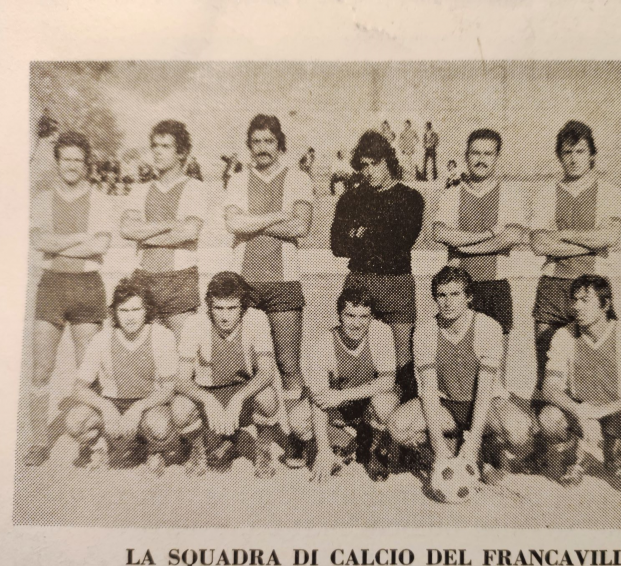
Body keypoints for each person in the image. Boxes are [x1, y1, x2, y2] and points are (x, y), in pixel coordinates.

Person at [387, 267, 534, 486]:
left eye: (455, 294)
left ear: (469, 297)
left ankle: (486, 446)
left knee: (518, 431)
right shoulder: (425, 331)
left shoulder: (487, 327)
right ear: (435, 298)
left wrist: (474, 441)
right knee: (397, 427)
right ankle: (449, 447)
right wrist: (438, 448)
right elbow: (429, 392)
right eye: (441, 295)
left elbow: (484, 391)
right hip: (446, 406)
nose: (448, 302)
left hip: (485, 404)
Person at [223, 114, 314, 465]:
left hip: (283, 281)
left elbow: (301, 227)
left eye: (269, 141)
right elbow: (233, 223)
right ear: (249, 145)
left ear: (280, 144)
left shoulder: (298, 177)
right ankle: (232, 432)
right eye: (256, 142)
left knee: (288, 365)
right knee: (238, 363)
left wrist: (253, 223)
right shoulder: (237, 179)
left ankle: (299, 437)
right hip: (243, 282)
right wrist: (278, 215)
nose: (262, 148)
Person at [24, 131, 113, 467]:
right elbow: (38, 241)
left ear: (86, 164)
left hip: (87, 286)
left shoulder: (99, 199)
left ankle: (91, 440)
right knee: (41, 368)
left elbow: (100, 245)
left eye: (78, 159)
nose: (72, 165)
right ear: (57, 162)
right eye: (66, 159)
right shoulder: (42, 199)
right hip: (51, 286)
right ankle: (38, 442)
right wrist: (79, 238)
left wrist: (57, 244)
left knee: (87, 369)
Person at [530, 120, 621, 406]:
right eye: (567, 152)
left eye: (580, 151)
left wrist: (564, 234)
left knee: (594, 362)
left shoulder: (610, 192)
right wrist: (590, 240)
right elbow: (539, 244)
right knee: (546, 368)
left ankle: (594, 424)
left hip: (593, 288)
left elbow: (609, 237)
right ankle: (547, 429)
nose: (573, 159)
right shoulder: (546, 193)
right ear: (559, 155)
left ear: (592, 154)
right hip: (552, 287)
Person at [331, 130, 424, 402]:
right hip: (359, 280)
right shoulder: (351, 198)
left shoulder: (410, 197)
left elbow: (401, 242)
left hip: (397, 282)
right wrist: (377, 234)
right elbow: (337, 245)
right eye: (363, 165)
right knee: (357, 354)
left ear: (389, 161)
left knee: (403, 361)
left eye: (375, 163)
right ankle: (356, 418)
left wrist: (360, 233)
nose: (369, 171)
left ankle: (407, 421)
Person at [433, 128, 528, 383]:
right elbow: (440, 233)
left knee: (497, 363)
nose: (481, 159)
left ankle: (495, 404)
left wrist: (466, 247)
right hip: (458, 289)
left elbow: (513, 236)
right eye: (476, 153)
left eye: (488, 154)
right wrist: (490, 234)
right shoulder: (452, 193)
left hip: (496, 285)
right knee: (459, 358)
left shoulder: (509, 193)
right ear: (466, 155)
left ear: (497, 157)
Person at [540, 275, 621, 490]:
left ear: (605, 304)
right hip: (579, 411)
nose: (577, 307)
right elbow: (549, 388)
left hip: (613, 411)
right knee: (549, 418)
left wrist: (601, 411)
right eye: (575, 300)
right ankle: (574, 459)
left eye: (585, 300)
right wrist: (580, 411)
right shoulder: (564, 334)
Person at [172, 272, 282, 478]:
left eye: (232, 308)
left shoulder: (257, 318)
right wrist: (207, 400)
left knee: (267, 397)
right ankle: (198, 451)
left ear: (243, 307)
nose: (224, 316)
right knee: (180, 408)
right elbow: (181, 380)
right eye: (218, 308)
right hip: (209, 394)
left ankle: (263, 451)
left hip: (243, 394)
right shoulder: (195, 323)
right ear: (209, 306)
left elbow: (267, 372)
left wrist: (238, 399)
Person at [64, 279, 179, 475]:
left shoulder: (161, 335)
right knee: (75, 422)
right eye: (123, 311)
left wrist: (138, 407)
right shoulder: (102, 339)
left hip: (149, 405)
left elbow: (169, 389)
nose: (130, 317)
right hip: (114, 404)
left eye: (136, 310)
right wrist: (106, 407)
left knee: (159, 426)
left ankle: (153, 449)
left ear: (147, 310)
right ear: (115, 312)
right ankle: (100, 446)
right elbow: (78, 388)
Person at [303, 285, 400, 483]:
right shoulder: (324, 343)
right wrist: (323, 449)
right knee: (298, 420)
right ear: (339, 315)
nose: (356, 323)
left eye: (363, 316)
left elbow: (388, 382)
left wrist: (341, 395)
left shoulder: (381, 332)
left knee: (384, 404)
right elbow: (319, 399)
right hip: (342, 409)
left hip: (367, 403)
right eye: (350, 315)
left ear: (371, 317)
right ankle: (345, 440)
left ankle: (375, 447)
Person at [120, 120, 206, 336]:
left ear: (181, 152)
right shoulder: (140, 190)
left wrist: (143, 235)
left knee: (184, 350)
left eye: (165, 146)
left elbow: (189, 232)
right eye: (155, 146)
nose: (157, 152)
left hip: (180, 279)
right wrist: (170, 224)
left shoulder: (194, 188)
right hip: (143, 278)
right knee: (145, 350)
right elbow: (127, 230)